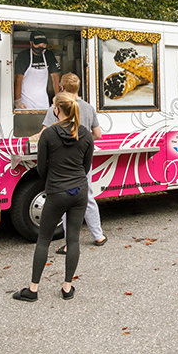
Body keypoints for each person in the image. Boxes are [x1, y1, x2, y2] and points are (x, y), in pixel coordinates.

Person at [13, 91, 94, 302]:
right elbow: (85, 167)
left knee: (44, 240)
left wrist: (54, 181)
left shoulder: (48, 134)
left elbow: (41, 167)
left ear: (57, 110)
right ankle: (67, 287)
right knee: (73, 239)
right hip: (79, 191)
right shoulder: (85, 134)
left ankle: (33, 289)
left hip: (56, 191)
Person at [38, 72, 106, 253]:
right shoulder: (88, 108)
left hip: (60, 162)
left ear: (61, 88)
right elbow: (98, 134)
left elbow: (43, 134)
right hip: (82, 159)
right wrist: (83, 141)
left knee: (67, 201)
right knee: (87, 196)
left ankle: (70, 243)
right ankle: (98, 235)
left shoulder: (58, 106)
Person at [14, 30, 60, 110]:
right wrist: (17, 101)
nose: (40, 46)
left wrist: (58, 99)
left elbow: (55, 78)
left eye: (43, 44)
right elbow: (18, 79)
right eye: (37, 43)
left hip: (43, 102)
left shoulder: (49, 55)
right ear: (31, 43)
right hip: (25, 102)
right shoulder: (23, 56)